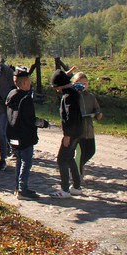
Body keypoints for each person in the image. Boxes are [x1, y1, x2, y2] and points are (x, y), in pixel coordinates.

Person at [6, 66, 48, 199]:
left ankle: (18, 187)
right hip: (24, 136)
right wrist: (44, 123)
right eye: (29, 81)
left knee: (19, 159)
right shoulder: (26, 99)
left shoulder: (11, 95)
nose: (30, 84)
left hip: (12, 134)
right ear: (24, 83)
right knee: (26, 161)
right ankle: (23, 188)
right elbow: (30, 119)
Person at [50, 68, 83, 198]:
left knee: (61, 159)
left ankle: (64, 189)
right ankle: (76, 186)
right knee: (69, 157)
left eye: (56, 87)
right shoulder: (74, 93)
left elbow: (70, 116)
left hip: (71, 132)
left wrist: (67, 135)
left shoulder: (68, 96)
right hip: (78, 131)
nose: (56, 90)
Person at [72, 71, 103, 180]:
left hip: (89, 129)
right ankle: (78, 174)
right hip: (77, 130)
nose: (83, 86)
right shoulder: (72, 96)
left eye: (85, 84)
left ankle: (75, 167)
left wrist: (98, 114)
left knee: (91, 150)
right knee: (80, 153)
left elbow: (97, 109)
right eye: (81, 83)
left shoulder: (90, 97)